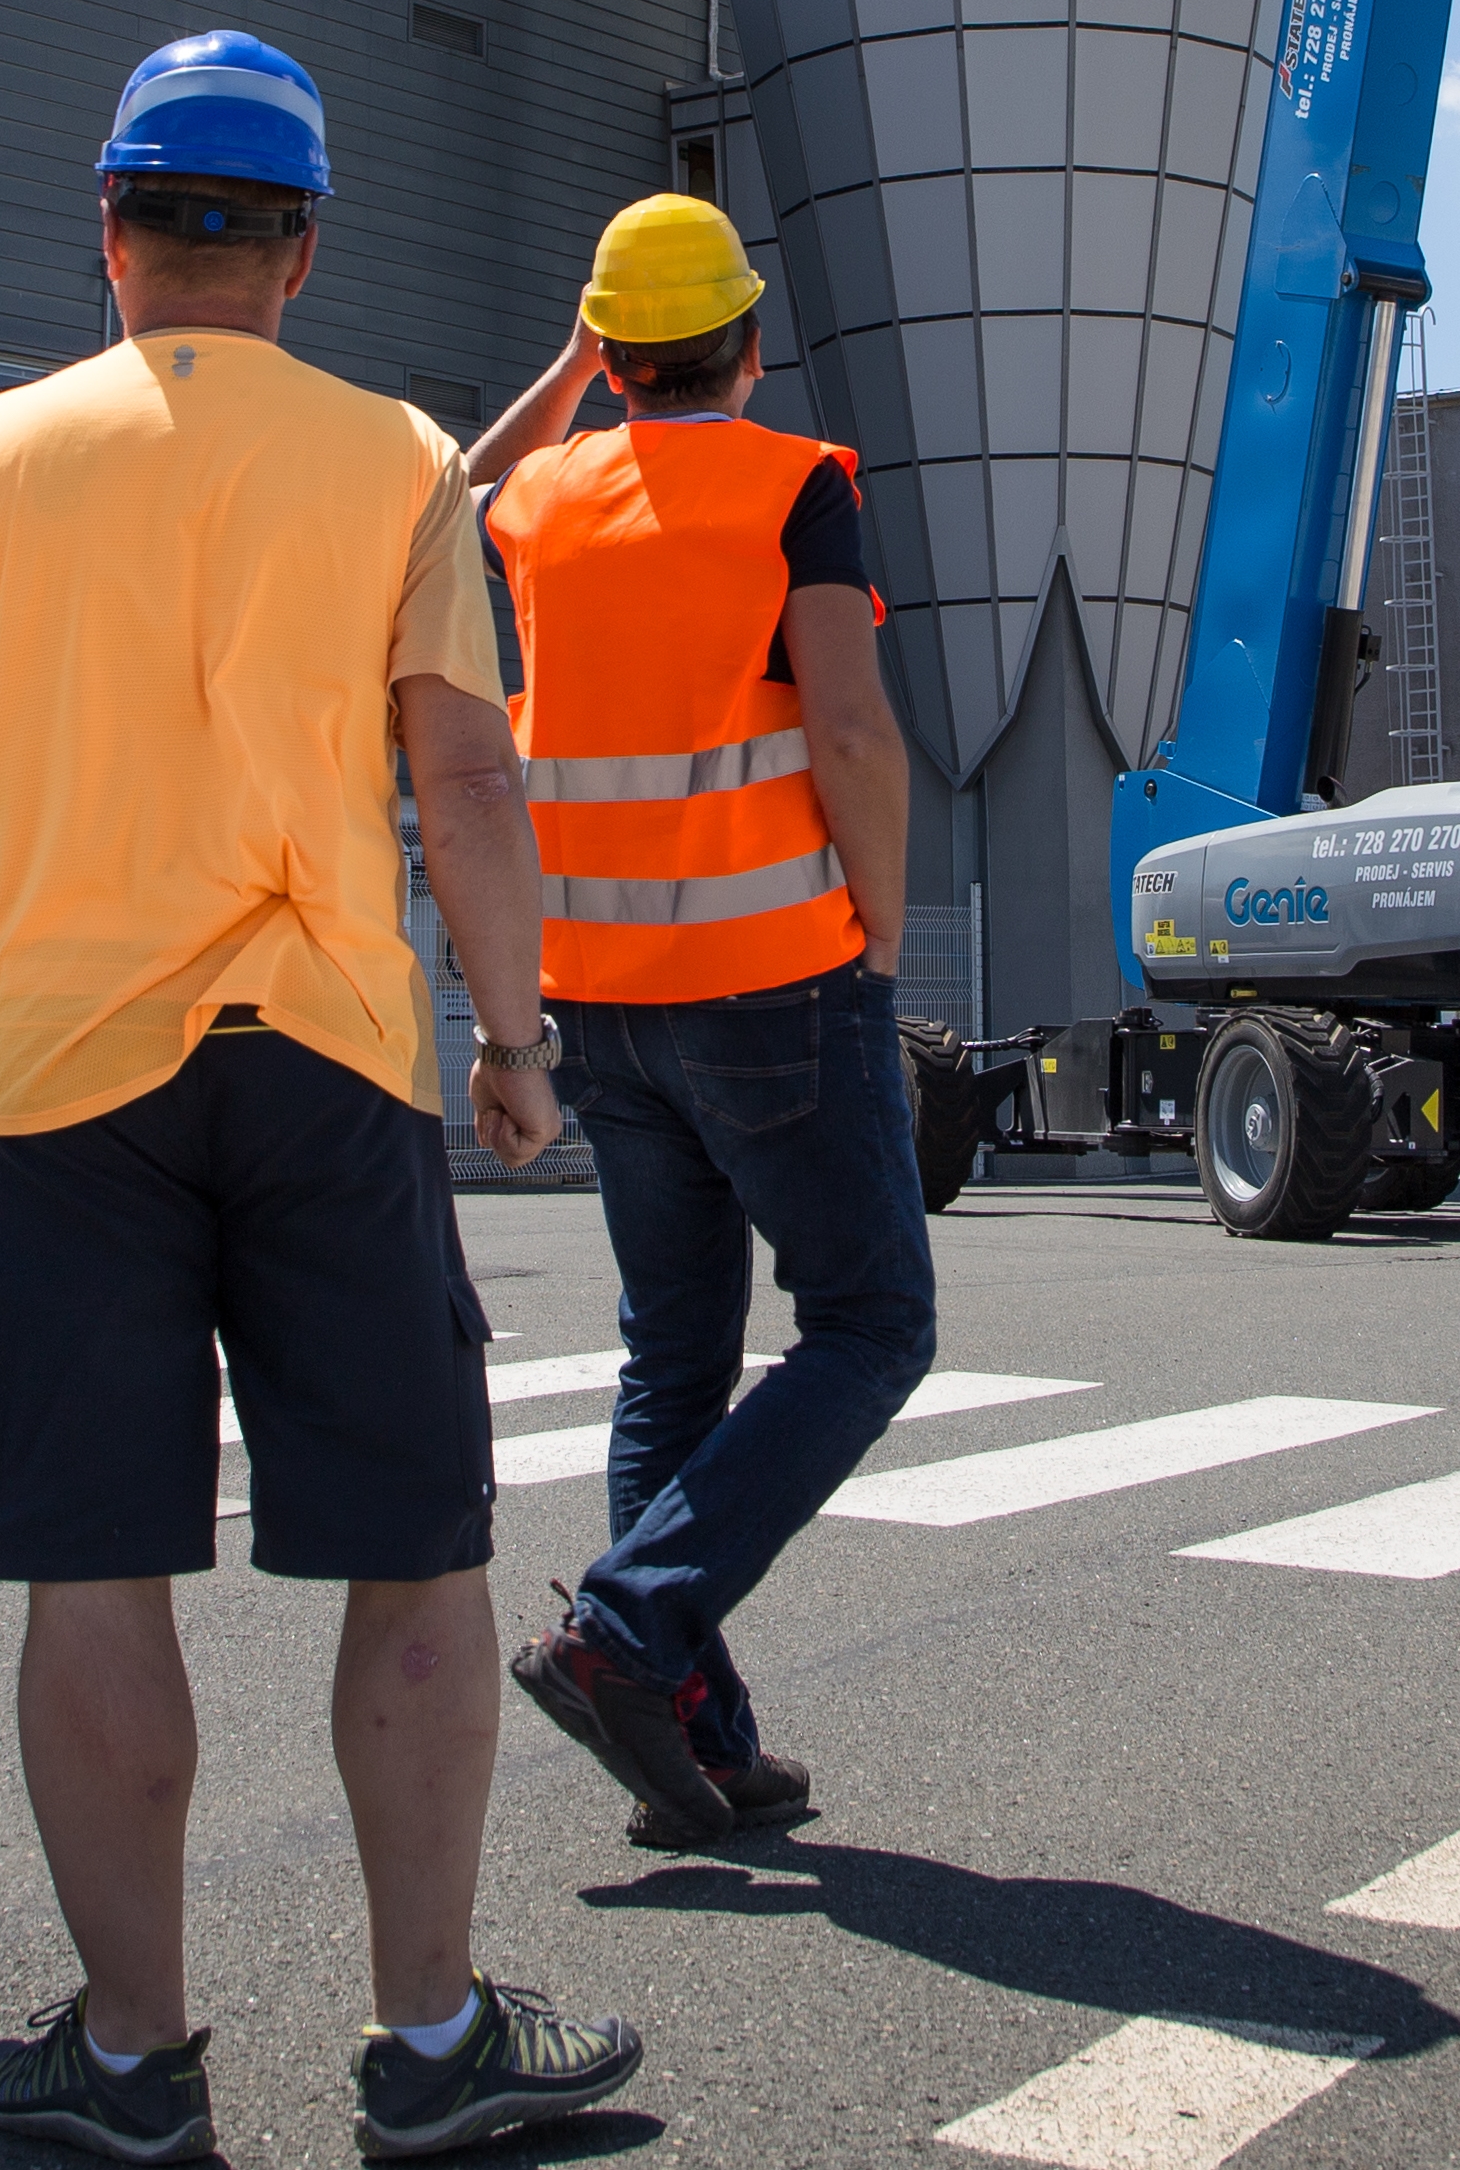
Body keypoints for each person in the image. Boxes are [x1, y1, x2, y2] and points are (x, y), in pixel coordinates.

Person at [0, 29, 643, 2164]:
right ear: (297, 246)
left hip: (62, 1079)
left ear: (111, 232)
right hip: (326, 1052)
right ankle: (430, 2035)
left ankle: (127, 2053)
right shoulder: (392, 458)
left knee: (92, 1569)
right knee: (412, 1552)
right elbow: (464, 770)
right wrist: (516, 1035)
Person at [466, 195, 931, 1850]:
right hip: (773, 979)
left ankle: (696, 1735)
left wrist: (565, 373)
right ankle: (625, 1626)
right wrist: (875, 931)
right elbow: (855, 732)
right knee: (872, 1325)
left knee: (675, 1351)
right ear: (745, 342)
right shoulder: (795, 485)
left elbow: (454, 488)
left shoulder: (539, 498)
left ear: (610, 355)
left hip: (594, 997)